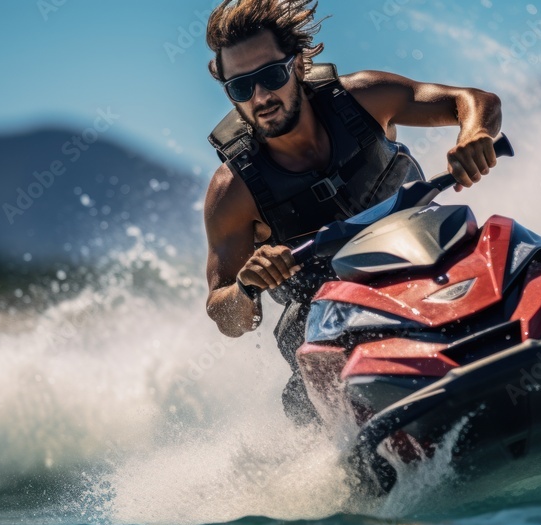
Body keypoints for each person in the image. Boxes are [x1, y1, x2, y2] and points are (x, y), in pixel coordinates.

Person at [202, 0, 503, 425]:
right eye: (241, 88)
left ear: (299, 67)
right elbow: (226, 316)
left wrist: (475, 132)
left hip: (428, 266)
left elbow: (471, 101)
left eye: (271, 76)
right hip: (337, 322)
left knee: (509, 248)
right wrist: (248, 287)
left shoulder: (364, 99)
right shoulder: (232, 192)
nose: (261, 97)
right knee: (301, 342)